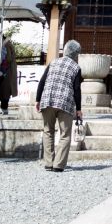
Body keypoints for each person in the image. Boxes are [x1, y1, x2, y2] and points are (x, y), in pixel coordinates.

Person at [35, 39, 84, 172]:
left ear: (65, 50)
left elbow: (42, 81)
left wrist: (38, 100)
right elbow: (77, 89)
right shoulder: (76, 67)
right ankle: (59, 165)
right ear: (76, 54)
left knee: (48, 131)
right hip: (65, 102)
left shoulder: (53, 62)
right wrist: (79, 109)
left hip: (48, 99)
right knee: (65, 134)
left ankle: (48, 163)